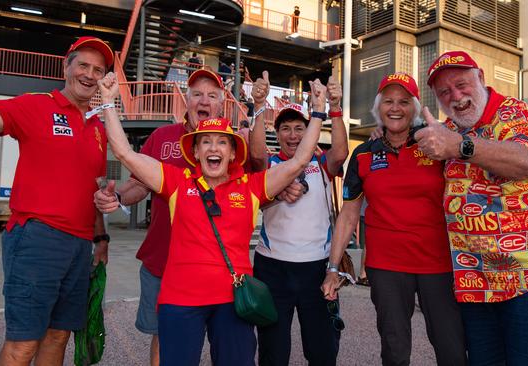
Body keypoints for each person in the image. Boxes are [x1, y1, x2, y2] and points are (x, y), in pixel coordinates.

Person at [97, 71, 327, 366]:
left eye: (222, 143)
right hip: (180, 300)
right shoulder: (177, 181)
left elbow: (298, 161)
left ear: (233, 153)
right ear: (195, 151)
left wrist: (319, 111)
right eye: (206, 142)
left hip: (233, 302)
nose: (214, 148)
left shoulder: (252, 186)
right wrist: (107, 101)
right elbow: (125, 153)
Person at [0, 13, 111, 365]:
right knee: (24, 343)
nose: (89, 75)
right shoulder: (36, 105)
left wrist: (100, 240)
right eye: (83, 65)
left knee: (58, 336)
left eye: (98, 70)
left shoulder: (98, 128)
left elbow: (94, 192)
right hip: (37, 239)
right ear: (66, 68)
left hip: (80, 246)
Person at [415, 51, 528, 365]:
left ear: (481, 78)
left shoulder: (516, 114)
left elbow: (526, 161)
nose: (456, 96)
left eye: (462, 84)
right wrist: (383, 133)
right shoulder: (447, 128)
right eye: (445, 92)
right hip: (477, 283)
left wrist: (459, 146)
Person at [321, 73, 467, 366]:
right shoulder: (363, 154)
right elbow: (349, 214)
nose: (395, 108)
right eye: (388, 101)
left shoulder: (436, 145)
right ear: (378, 108)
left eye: (403, 101)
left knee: (452, 346)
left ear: (415, 107)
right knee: (394, 348)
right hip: (386, 266)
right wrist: (333, 268)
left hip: (437, 264)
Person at [93, 68, 226, 366]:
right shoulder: (163, 137)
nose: (203, 101)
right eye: (197, 95)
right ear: (186, 101)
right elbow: (139, 184)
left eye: (212, 95)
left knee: (223, 340)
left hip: (214, 265)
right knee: (164, 337)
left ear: (221, 104)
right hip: (162, 260)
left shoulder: (231, 142)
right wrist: (116, 197)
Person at [249, 72, 348, 366]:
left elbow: (340, 154)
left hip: (317, 268)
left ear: (310, 132)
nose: (293, 135)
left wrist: (336, 107)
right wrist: (257, 106)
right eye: (286, 129)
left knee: (322, 350)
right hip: (272, 267)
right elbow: (255, 154)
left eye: (299, 129)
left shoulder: (320, 162)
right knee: (273, 350)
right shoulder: (271, 165)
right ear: (277, 135)